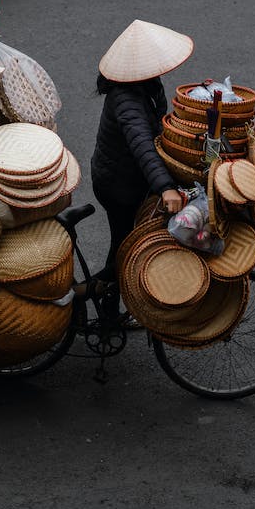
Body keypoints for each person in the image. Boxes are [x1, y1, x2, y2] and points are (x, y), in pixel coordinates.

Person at [90, 19, 192, 316]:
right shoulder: (125, 100)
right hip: (118, 185)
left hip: (129, 177)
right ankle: (85, 292)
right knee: (126, 249)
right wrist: (166, 187)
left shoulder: (146, 85)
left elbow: (160, 126)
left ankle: (108, 313)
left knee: (123, 245)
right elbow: (143, 146)